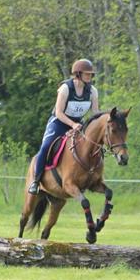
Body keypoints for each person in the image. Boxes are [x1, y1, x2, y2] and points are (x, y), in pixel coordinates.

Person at [28, 59, 100, 195]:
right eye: (87, 74)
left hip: (79, 124)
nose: (90, 77)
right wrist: (72, 124)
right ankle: (36, 181)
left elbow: (95, 113)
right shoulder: (65, 89)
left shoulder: (92, 91)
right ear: (78, 74)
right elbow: (59, 112)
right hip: (59, 123)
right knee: (46, 145)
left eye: (91, 74)